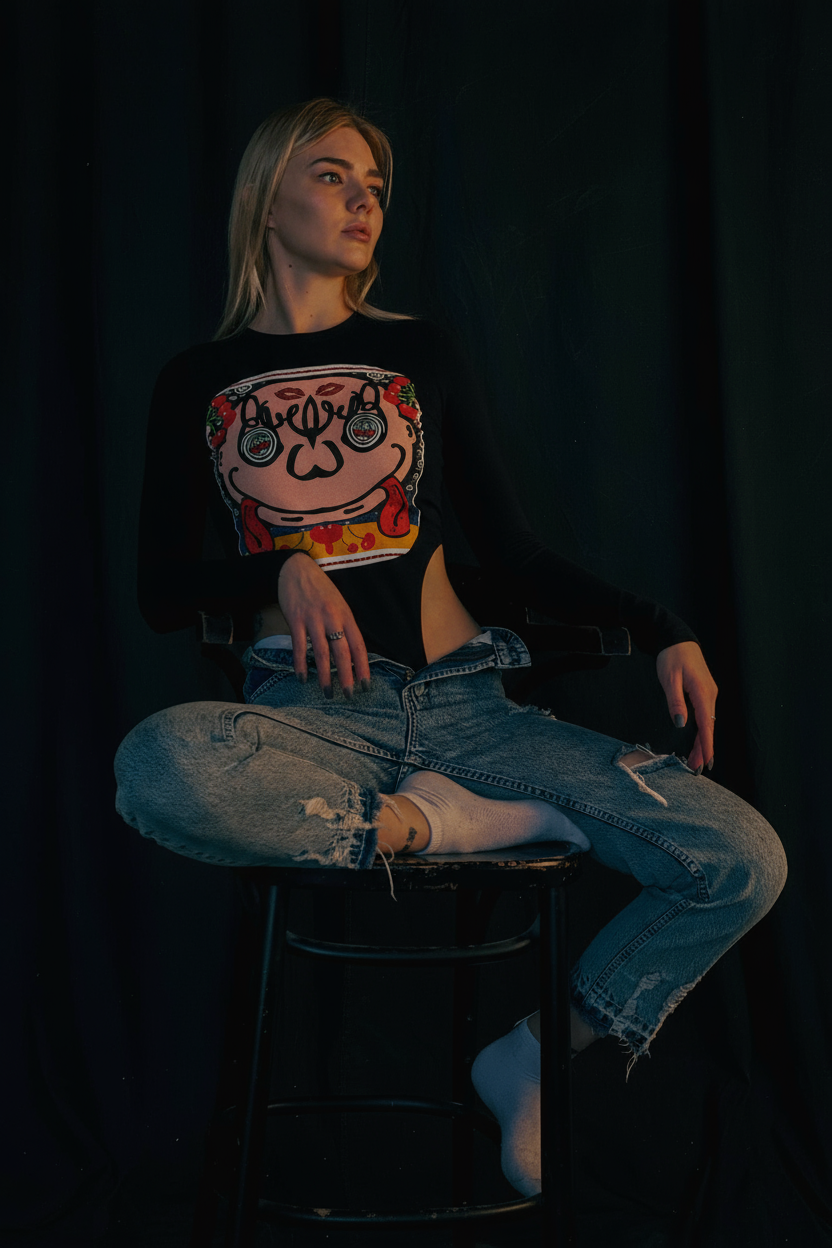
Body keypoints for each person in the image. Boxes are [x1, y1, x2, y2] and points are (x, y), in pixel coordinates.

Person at [114, 97, 787, 1197]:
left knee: (740, 860)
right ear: (267, 198)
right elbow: (155, 591)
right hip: (308, 719)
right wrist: (276, 569)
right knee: (155, 764)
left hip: (470, 705)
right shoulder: (198, 380)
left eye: (374, 184)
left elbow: (510, 550)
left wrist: (670, 627)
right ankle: (435, 822)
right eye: (335, 176)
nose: (364, 199)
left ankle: (531, 1050)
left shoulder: (414, 352)